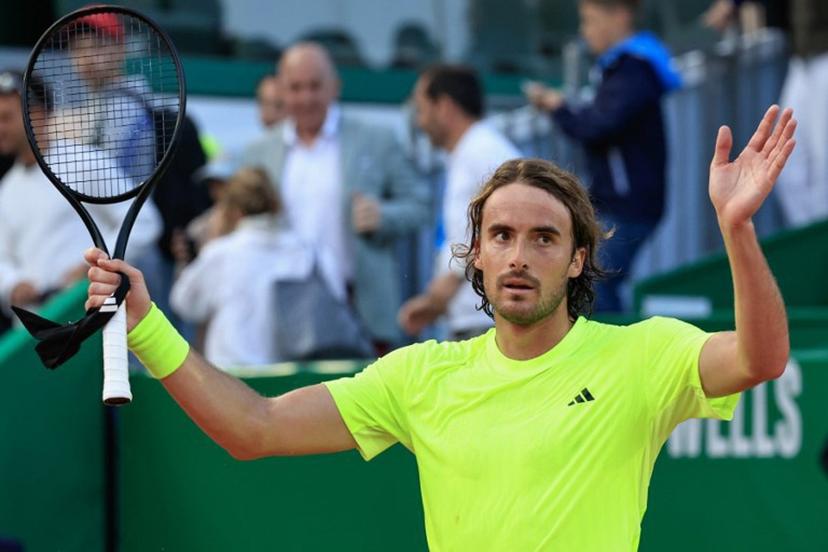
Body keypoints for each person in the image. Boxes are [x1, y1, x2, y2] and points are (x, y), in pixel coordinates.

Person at [84, 105, 795, 550]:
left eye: (544, 239)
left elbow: (761, 358)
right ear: (477, 255)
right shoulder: (421, 376)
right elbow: (255, 427)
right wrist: (147, 324)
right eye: (502, 235)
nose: (520, 256)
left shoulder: (644, 353)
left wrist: (736, 230)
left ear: (579, 259)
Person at [242, 42, 430, 350]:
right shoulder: (259, 152)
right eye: (296, 88)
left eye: (315, 86)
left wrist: (382, 216)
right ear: (282, 90)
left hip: (362, 308)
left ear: (335, 87)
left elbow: (421, 204)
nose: (306, 98)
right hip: (282, 313)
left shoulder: (376, 139)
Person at [524, 0, 682, 312]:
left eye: (590, 20)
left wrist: (559, 109)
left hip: (627, 204)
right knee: (593, 281)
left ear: (620, 15)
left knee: (594, 282)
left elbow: (598, 125)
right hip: (621, 201)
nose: (585, 31)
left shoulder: (633, 68)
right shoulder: (624, 67)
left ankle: (614, 354)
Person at [0, 69, 159, 318]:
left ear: (38, 116)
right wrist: (14, 285)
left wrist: (95, 267)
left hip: (92, 318)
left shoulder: (86, 162)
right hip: (35, 332)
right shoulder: (7, 189)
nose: (0, 127)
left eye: (5, 118)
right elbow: (3, 260)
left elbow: (144, 221)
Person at [169, 167, 341, 367]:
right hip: (295, 377)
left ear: (233, 211)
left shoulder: (220, 254)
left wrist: (211, 243)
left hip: (232, 378)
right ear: (275, 202)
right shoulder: (311, 252)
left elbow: (184, 304)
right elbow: (336, 301)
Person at [399, 64, 520, 340]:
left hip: (485, 320)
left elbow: (479, 235)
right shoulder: (475, 151)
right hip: (479, 316)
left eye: (421, 109)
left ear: (443, 106)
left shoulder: (482, 152)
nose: (419, 122)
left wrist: (437, 297)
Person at [704, 0, 828, 227]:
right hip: (803, 57)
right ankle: (815, 243)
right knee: (789, 166)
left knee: (822, 167)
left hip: (821, 58)